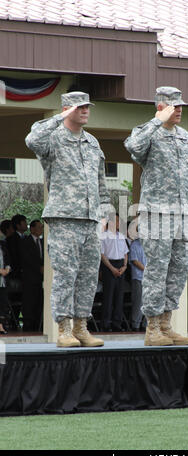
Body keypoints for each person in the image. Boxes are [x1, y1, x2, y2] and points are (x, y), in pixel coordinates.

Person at [25, 91, 111, 347]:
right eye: (79, 107)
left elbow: (101, 183)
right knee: (66, 275)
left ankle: (81, 327)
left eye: (87, 107)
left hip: (91, 219)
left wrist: (105, 215)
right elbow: (32, 139)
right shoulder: (52, 138)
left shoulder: (93, 142)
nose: (85, 110)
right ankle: (63, 330)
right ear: (66, 109)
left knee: (87, 276)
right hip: (64, 218)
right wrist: (59, 117)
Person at [124, 86, 188, 346]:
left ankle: (167, 324)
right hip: (157, 213)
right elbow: (132, 146)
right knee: (157, 269)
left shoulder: (184, 137)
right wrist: (155, 122)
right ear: (160, 107)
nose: (179, 110)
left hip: (181, 214)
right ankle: (152, 327)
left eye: (180, 106)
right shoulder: (148, 133)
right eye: (173, 106)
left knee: (178, 270)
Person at [100, 213, 129, 331]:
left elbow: (125, 253)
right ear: (110, 222)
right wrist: (111, 268)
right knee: (108, 296)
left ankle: (117, 323)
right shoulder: (104, 236)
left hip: (120, 265)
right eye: (117, 221)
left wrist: (125, 266)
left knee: (119, 296)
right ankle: (105, 323)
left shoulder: (121, 236)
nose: (118, 224)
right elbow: (102, 255)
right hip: (109, 266)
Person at [21, 220, 44, 332]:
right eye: (39, 227)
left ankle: (38, 324)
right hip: (29, 276)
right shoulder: (26, 241)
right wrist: (38, 267)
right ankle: (28, 325)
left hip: (41, 278)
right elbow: (27, 258)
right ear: (33, 229)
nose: (41, 229)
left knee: (39, 301)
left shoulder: (43, 241)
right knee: (29, 301)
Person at [129, 226, 147, 331]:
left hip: (148, 278)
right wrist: (147, 270)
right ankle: (136, 324)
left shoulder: (148, 245)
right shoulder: (135, 244)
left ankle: (145, 324)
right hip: (138, 277)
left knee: (147, 301)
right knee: (138, 302)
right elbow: (135, 261)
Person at [0, 240, 11, 334]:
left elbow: (7, 259)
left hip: (2, 281)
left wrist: (7, 269)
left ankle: (1, 326)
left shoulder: (3, 244)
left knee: (3, 303)